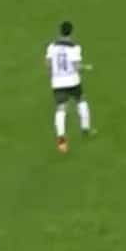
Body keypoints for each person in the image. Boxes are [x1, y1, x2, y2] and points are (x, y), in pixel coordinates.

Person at [46, 20, 92, 152]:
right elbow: (77, 67)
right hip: (72, 81)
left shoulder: (51, 47)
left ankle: (61, 138)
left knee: (61, 108)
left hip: (57, 82)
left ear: (60, 31)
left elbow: (48, 64)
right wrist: (86, 68)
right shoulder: (74, 48)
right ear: (71, 32)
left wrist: (52, 77)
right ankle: (85, 128)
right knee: (81, 100)